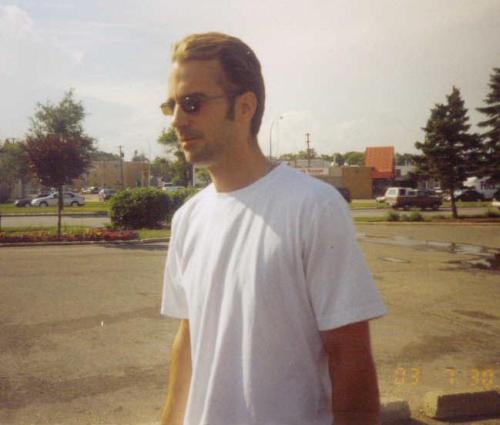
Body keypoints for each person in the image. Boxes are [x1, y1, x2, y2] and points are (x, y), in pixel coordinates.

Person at [160, 32, 386, 425]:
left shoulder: (312, 207)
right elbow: (189, 340)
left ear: (245, 106)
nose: (178, 120)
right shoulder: (188, 218)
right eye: (172, 105)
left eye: (192, 103)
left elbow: (350, 357)